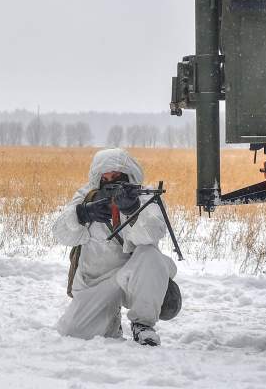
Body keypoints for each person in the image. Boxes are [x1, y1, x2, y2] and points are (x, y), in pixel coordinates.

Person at [52, 148, 180, 346]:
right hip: (95, 284)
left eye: (117, 176)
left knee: (150, 255)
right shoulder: (86, 196)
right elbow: (61, 234)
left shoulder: (145, 196)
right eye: (106, 178)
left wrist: (132, 210)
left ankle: (143, 325)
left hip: (131, 278)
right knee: (73, 333)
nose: (111, 182)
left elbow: (152, 233)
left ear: (128, 175)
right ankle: (111, 322)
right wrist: (82, 214)